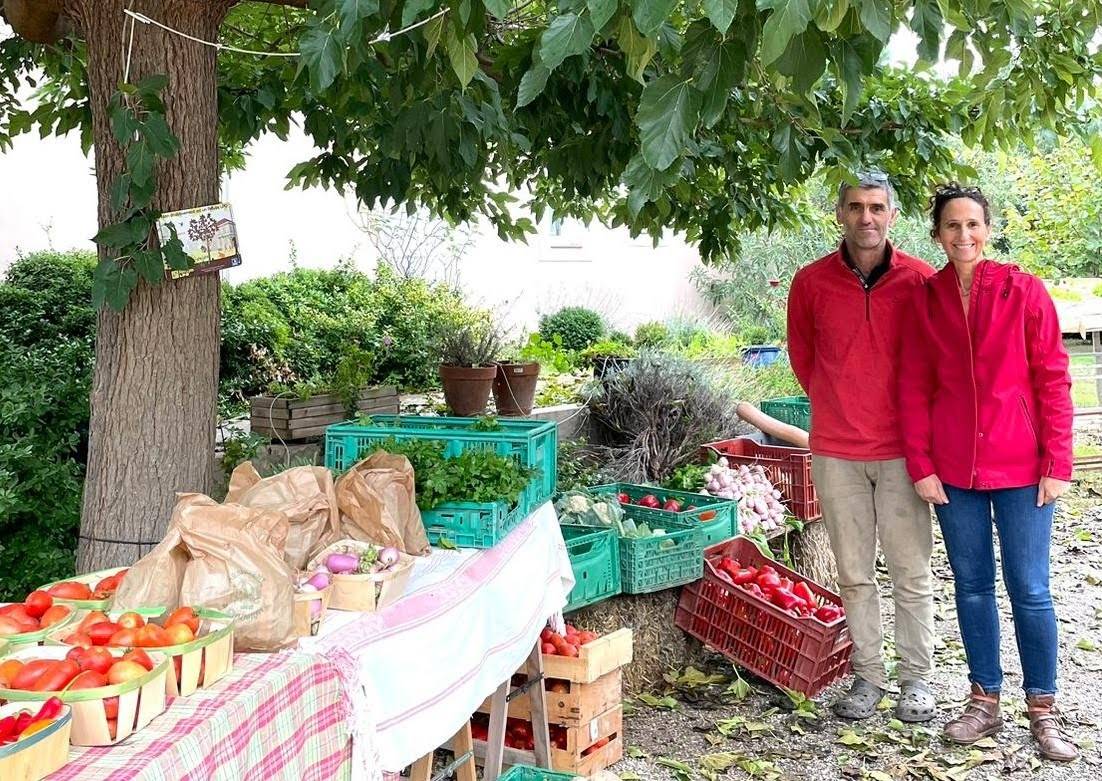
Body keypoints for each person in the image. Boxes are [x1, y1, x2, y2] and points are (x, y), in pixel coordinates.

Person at [899, 183, 1077, 761]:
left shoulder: (1023, 291)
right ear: (937, 234)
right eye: (952, 225)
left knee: (1030, 588)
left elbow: (1053, 379)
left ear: (988, 230)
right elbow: (913, 387)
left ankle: (1043, 709)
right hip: (954, 471)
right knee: (972, 587)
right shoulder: (925, 300)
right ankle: (984, 700)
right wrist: (922, 465)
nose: (963, 235)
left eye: (972, 224)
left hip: (1023, 468)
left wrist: (1058, 461)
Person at [787, 172, 937, 722]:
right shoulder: (811, 282)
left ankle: (917, 679)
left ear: (892, 215)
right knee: (853, 573)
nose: (866, 217)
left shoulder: (920, 280)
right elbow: (803, 357)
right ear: (840, 214)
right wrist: (839, 402)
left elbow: (937, 362)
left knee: (910, 572)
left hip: (903, 451)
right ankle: (868, 676)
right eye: (855, 207)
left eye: (876, 207)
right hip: (837, 451)